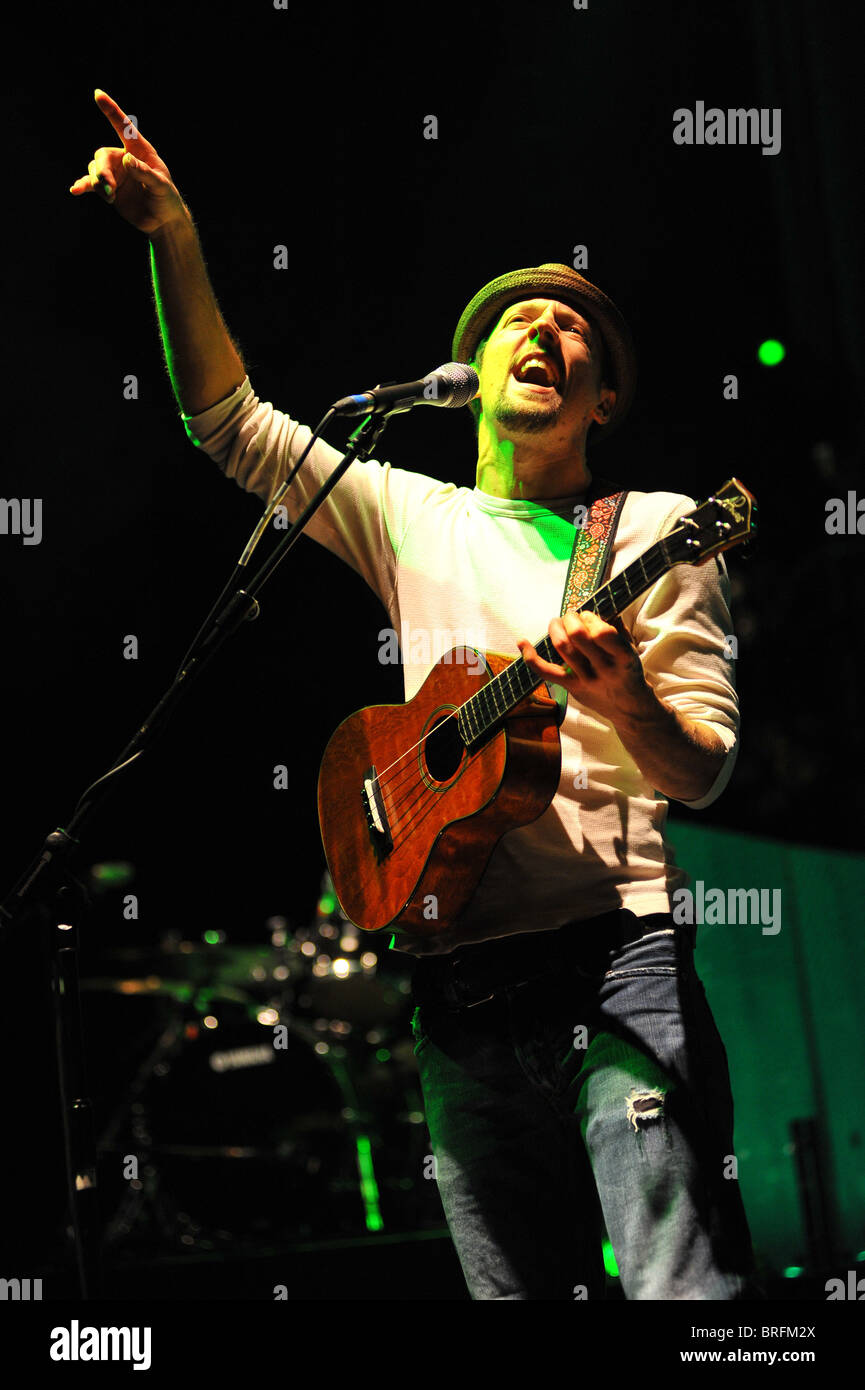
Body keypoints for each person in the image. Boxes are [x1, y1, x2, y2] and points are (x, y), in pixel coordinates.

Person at [71, 90, 759, 1301]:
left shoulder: (657, 532)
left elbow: (700, 768)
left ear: (604, 399)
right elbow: (227, 424)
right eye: (516, 322)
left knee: (679, 1294)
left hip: (617, 962)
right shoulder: (408, 511)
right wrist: (174, 233)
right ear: (476, 368)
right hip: (453, 985)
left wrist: (627, 702)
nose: (542, 330)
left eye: (573, 327)